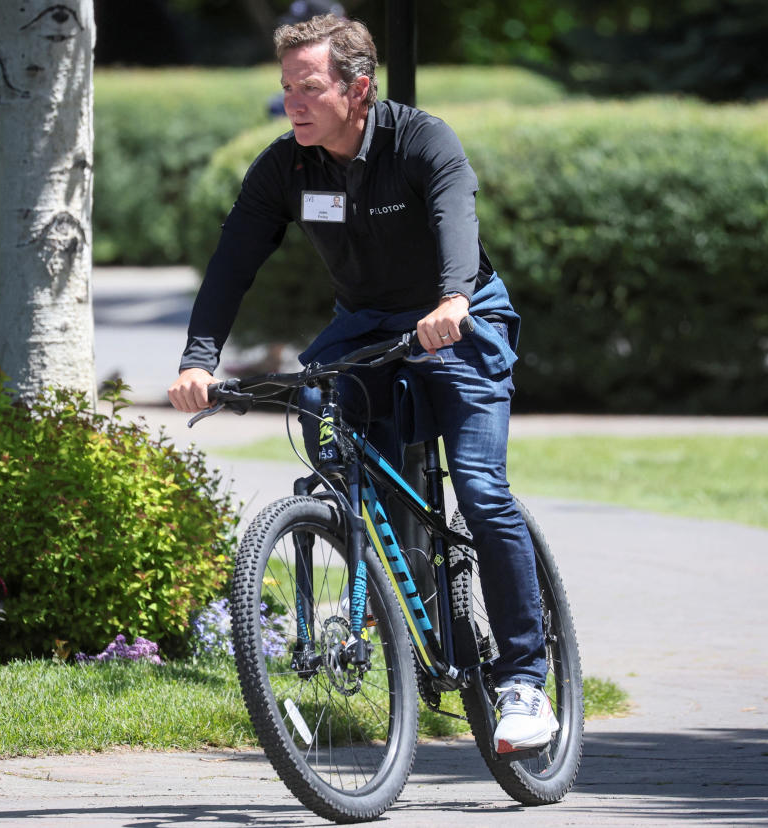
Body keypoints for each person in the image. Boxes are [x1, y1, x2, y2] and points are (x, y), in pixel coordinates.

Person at [168, 15, 557, 753]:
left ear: (359, 88)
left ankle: (524, 682)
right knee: (325, 424)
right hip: (368, 327)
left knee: (477, 487)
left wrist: (451, 300)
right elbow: (232, 262)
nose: (294, 104)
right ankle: (399, 596)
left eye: (308, 87)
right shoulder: (288, 169)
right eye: (286, 89)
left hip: (461, 321)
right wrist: (199, 359)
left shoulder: (421, 142)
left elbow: (455, 221)